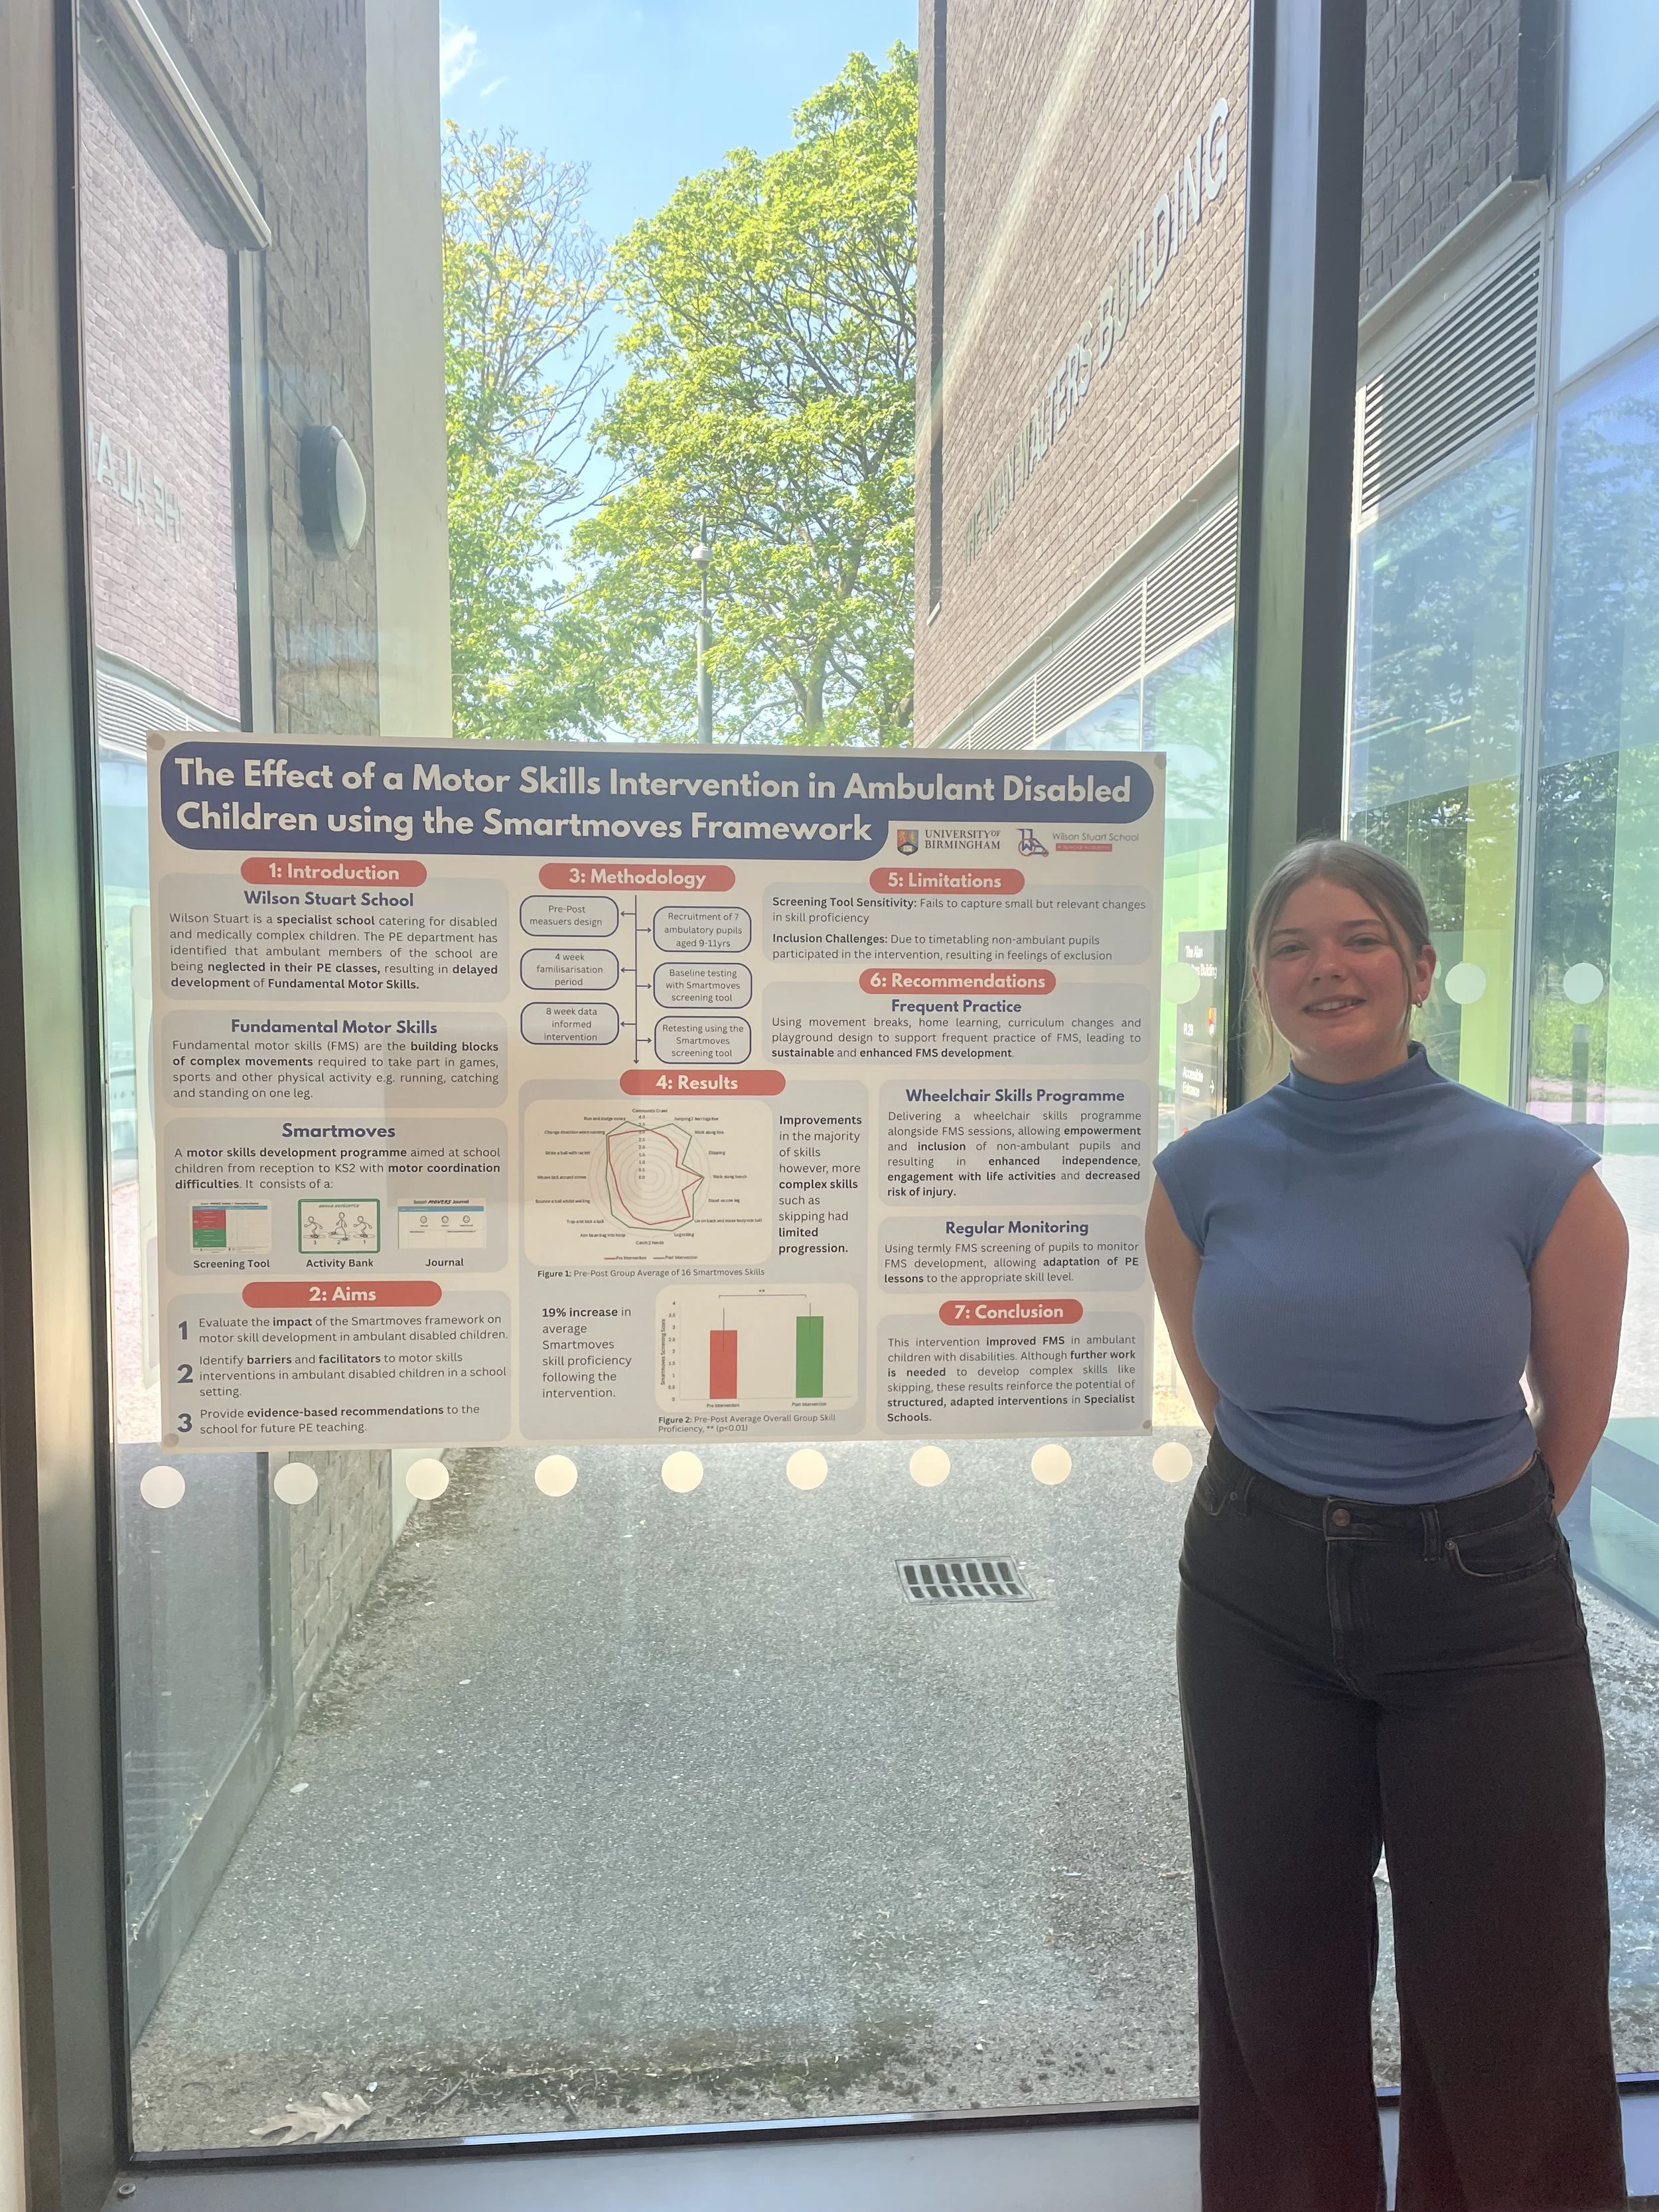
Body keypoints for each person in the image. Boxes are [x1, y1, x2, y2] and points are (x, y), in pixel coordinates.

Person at [1145, 838, 1630, 2212]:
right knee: (1271, 1969)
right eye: (1289, 946)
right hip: (1252, 1592)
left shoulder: (1541, 1176)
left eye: (1356, 937)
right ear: (1260, 986)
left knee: (1510, 1980)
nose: (1324, 965)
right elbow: (1223, 1394)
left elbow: (1570, 1416)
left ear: (1417, 969)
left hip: (1479, 1602)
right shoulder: (1195, 1181)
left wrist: (1460, 1538)